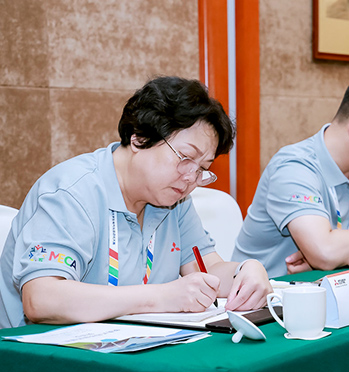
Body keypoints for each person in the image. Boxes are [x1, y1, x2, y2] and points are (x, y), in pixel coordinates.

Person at [0, 76, 272, 329]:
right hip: (42, 353)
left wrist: (245, 271)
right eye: (186, 158)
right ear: (140, 138)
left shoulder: (174, 200)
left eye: (202, 168)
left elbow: (208, 269)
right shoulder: (73, 191)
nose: (191, 177)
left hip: (128, 346)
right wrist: (161, 297)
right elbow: (41, 299)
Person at [232, 72, 349, 277]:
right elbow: (327, 252)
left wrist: (336, 253)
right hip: (269, 292)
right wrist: (329, 253)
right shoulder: (293, 167)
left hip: (326, 285)